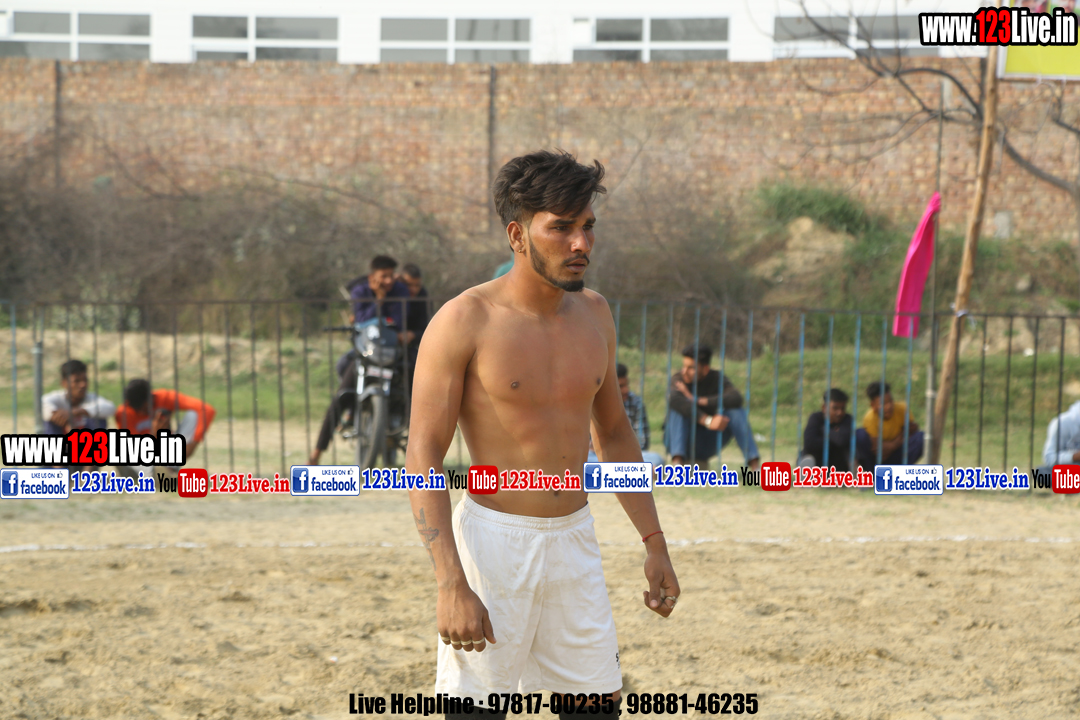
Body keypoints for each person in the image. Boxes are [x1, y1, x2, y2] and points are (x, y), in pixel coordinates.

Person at [405, 150, 678, 720]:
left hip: (574, 540)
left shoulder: (596, 314)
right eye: (561, 228)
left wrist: (654, 541)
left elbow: (614, 434)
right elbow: (424, 453)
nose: (581, 244)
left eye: (588, 227)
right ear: (517, 234)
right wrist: (450, 582)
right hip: (494, 545)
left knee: (596, 708)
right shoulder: (464, 320)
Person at [664, 344, 760, 469]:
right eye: (684, 366)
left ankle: (755, 467)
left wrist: (698, 400)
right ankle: (677, 467)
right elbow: (674, 400)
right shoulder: (678, 379)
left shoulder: (716, 378)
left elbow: (736, 398)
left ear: (705, 369)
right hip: (679, 441)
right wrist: (707, 420)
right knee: (678, 409)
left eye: (691, 368)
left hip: (706, 442)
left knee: (735, 410)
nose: (684, 371)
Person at [114, 379, 216, 471]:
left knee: (193, 415)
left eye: (142, 408)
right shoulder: (124, 413)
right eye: (137, 409)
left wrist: (193, 443)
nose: (140, 412)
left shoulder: (164, 398)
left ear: (150, 398)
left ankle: (166, 470)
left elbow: (207, 410)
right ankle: (152, 472)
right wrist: (153, 433)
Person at [855, 381, 923, 469]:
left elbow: (913, 430)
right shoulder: (870, 419)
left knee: (921, 437)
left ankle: (901, 471)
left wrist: (888, 446)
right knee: (860, 435)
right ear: (873, 405)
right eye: (883, 403)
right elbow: (879, 453)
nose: (889, 406)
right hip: (878, 462)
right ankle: (873, 474)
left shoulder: (902, 409)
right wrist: (896, 442)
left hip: (897, 455)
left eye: (890, 401)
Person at [41, 359, 115, 434]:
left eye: (85, 380)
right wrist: (62, 418)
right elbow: (41, 404)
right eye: (77, 381)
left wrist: (76, 412)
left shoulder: (91, 398)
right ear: (64, 383)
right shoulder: (57, 398)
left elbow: (110, 407)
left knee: (97, 418)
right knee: (49, 420)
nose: (83, 385)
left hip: (86, 439)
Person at [798, 388, 853, 472]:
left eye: (843, 408)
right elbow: (809, 443)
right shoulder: (815, 418)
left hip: (838, 464)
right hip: (817, 460)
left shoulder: (847, 419)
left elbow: (842, 440)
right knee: (806, 455)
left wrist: (824, 430)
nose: (840, 413)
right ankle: (807, 472)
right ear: (824, 407)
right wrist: (834, 435)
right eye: (835, 408)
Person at [1039, 398, 1080, 471]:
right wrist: (1074, 456)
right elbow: (1049, 459)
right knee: (1042, 471)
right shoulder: (1062, 423)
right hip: (1069, 471)